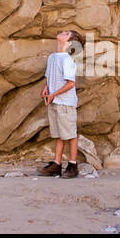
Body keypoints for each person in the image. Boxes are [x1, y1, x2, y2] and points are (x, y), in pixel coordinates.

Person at [39, 29, 85, 178]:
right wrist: (46, 88)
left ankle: (72, 165)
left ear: (70, 43)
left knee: (70, 134)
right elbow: (49, 76)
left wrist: (53, 94)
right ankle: (57, 164)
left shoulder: (67, 60)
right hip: (55, 102)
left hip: (65, 103)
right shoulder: (53, 57)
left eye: (66, 33)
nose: (61, 32)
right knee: (59, 134)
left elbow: (70, 84)